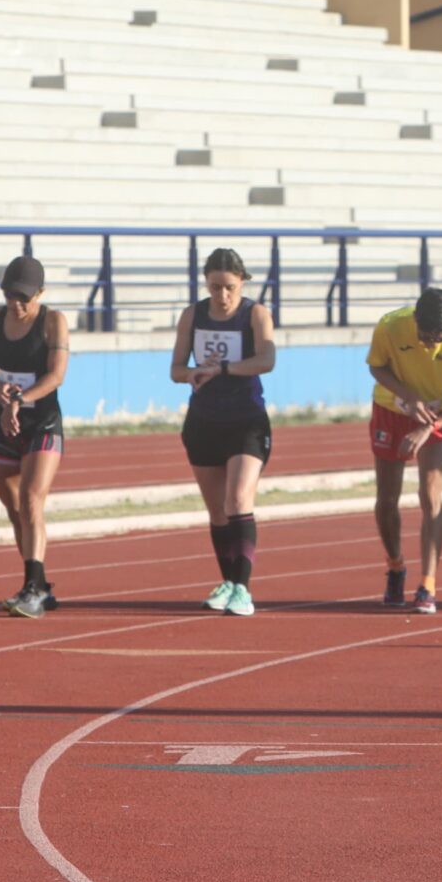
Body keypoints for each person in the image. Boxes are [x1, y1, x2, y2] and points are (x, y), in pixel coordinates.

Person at [174, 248, 275, 617]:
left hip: (246, 420)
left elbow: (267, 360)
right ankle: (229, 583)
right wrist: (193, 373)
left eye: (229, 287)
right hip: (203, 421)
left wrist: (224, 369)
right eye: (215, 287)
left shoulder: (256, 314)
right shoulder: (193, 315)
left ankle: (243, 589)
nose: (222, 296)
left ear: (242, 282)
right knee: (217, 511)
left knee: (238, 500)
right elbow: (175, 369)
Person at [368, 287, 442, 614]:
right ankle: (396, 565)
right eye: (425, 337)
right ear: (415, 320)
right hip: (391, 409)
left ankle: (428, 584)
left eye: (438, 339)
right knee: (388, 498)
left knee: (431, 495)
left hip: (436, 415)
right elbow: (376, 366)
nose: (431, 345)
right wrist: (408, 398)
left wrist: (428, 426)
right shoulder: (390, 326)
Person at [0, 254, 69, 619]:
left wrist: (20, 399)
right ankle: (39, 585)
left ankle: (33, 588)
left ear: (40, 294)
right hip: (2, 422)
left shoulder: (53, 322)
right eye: (9, 296)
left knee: (31, 500)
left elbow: (56, 375)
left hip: (42, 423)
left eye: (24, 298)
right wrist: (1, 390)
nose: (16, 304)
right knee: (15, 509)